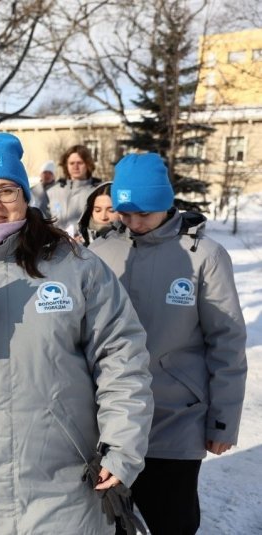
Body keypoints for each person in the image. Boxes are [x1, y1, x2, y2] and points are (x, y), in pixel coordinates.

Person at [0, 132, 154, 535]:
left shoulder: (76, 266)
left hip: (62, 488)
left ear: (25, 195)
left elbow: (122, 360)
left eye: (6, 190)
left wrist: (122, 448)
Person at [90, 153, 248, 535]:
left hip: (177, 420)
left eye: (144, 213)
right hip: (110, 421)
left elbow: (227, 341)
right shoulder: (100, 252)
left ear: (166, 202)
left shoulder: (205, 256)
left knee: (172, 520)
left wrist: (223, 421)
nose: (134, 222)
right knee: (109, 522)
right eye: (126, 213)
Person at [46, 144, 101, 236]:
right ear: (66, 165)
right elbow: (44, 222)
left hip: (86, 243)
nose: (75, 167)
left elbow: (102, 223)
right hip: (57, 242)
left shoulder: (98, 192)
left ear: (88, 164)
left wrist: (84, 237)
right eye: (72, 163)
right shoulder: (53, 192)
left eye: (80, 163)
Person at [77, 181, 119, 247]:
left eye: (111, 210)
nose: (103, 217)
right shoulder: (78, 246)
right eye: (97, 210)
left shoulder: (131, 246)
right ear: (90, 212)